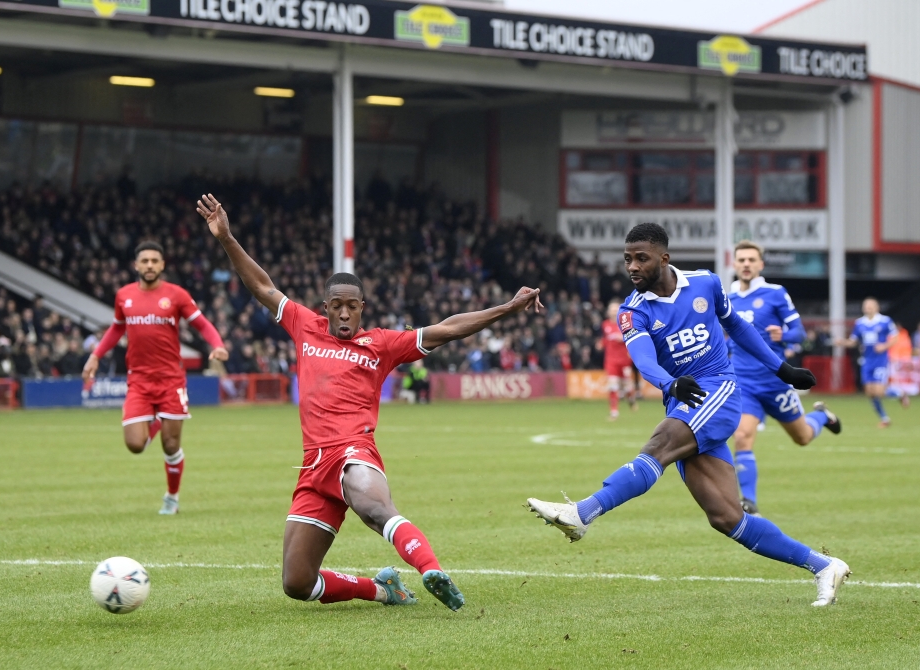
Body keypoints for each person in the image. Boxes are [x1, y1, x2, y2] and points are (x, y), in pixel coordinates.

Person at [197, 193, 542, 612]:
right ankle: (383, 590)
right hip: (313, 466)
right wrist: (227, 239)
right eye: (337, 306)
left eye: (352, 306)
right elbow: (263, 287)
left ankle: (431, 569)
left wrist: (507, 307)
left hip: (352, 451)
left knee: (373, 506)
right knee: (297, 581)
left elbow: (447, 329)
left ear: (363, 309)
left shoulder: (382, 344)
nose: (344, 314)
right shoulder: (304, 326)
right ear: (325, 308)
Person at [527, 223, 850, 607]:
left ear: (664, 258)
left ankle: (583, 512)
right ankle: (824, 565)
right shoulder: (632, 311)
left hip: (719, 389)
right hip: (683, 400)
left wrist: (782, 369)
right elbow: (644, 360)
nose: (632, 266)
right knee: (727, 518)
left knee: (658, 446)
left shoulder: (706, 284)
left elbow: (738, 327)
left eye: (641, 258)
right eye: (627, 259)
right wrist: (668, 383)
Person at [82, 241, 228, 514]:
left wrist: (217, 344)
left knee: (171, 445)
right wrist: (96, 356)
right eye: (145, 261)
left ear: (162, 265)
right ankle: (158, 421)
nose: (149, 265)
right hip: (138, 380)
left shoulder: (176, 295)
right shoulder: (124, 295)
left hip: (171, 380)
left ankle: (172, 498)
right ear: (136, 265)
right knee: (135, 444)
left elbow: (201, 324)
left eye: (154, 261)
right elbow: (115, 329)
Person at [728, 241, 841, 516]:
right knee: (742, 436)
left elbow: (800, 333)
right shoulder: (726, 297)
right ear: (734, 264)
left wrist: (784, 335)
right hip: (743, 381)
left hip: (775, 380)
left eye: (751, 260)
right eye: (741, 259)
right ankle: (749, 503)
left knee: (802, 437)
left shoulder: (775, 293)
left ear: (761, 264)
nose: (746, 264)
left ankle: (822, 417)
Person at [836, 297, 908, 427]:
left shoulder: (885, 321)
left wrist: (884, 346)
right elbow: (854, 342)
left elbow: (896, 337)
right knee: (869, 392)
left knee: (879, 391)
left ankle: (900, 393)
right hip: (867, 361)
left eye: (870, 305)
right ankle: (885, 419)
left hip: (880, 360)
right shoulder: (859, 323)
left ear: (876, 307)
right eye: (865, 305)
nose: (867, 307)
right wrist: (843, 342)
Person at [602, 299, 641, 419]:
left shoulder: (625, 324)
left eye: (616, 309)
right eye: (612, 310)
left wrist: (622, 338)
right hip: (611, 361)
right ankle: (614, 412)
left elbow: (633, 337)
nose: (614, 312)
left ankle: (631, 400)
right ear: (608, 312)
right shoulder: (605, 325)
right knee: (613, 386)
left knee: (627, 387)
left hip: (624, 361)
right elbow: (605, 340)